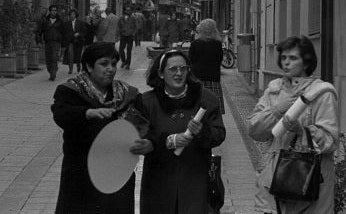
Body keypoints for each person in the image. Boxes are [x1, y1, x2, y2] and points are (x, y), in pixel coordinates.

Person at [51, 42, 152, 214]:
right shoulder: (71, 90)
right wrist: (87, 113)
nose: (111, 69)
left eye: (113, 64)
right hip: (81, 172)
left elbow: (144, 125)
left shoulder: (127, 94)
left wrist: (147, 142)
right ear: (89, 66)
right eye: (104, 64)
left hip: (118, 172)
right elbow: (61, 114)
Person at [247, 36, 339, 214]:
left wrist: (302, 131)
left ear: (306, 62)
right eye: (284, 58)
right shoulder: (274, 89)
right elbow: (255, 131)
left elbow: (330, 141)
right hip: (273, 179)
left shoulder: (322, 93)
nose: (286, 63)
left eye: (293, 58)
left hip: (310, 181)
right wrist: (277, 110)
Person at [139, 49, 226, 214]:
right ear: (161, 73)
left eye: (183, 68)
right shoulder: (147, 102)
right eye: (172, 69)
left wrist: (202, 132)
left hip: (196, 179)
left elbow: (219, 134)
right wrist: (168, 141)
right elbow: (142, 135)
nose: (179, 73)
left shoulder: (206, 99)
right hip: (159, 183)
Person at [189, 19, 225, 114]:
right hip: (213, 79)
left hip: (197, 79)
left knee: (197, 109)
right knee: (213, 110)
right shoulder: (217, 44)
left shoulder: (195, 44)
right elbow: (219, 60)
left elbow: (191, 61)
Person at [35, 4, 65, 81]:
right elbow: (39, 31)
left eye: (55, 10)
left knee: (54, 58)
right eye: (52, 10)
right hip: (47, 42)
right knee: (48, 59)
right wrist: (38, 41)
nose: (54, 12)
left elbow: (64, 33)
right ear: (50, 11)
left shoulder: (60, 21)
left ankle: (53, 73)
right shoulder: (44, 21)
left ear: (56, 11)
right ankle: (51, 71)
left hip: (56, 42)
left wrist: (64, 44)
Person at [63, 8, 86, 74]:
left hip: (78, 41)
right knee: (70, 54)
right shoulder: (66, 24)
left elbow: (84, 32)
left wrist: (79, 34)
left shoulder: (80, 23)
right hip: (70, 41)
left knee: (78, 55)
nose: (72, 15)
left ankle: (78, 64)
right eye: (71, 14)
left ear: (76, 15)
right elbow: (65, 33)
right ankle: (70, 69)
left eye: (73, 14)